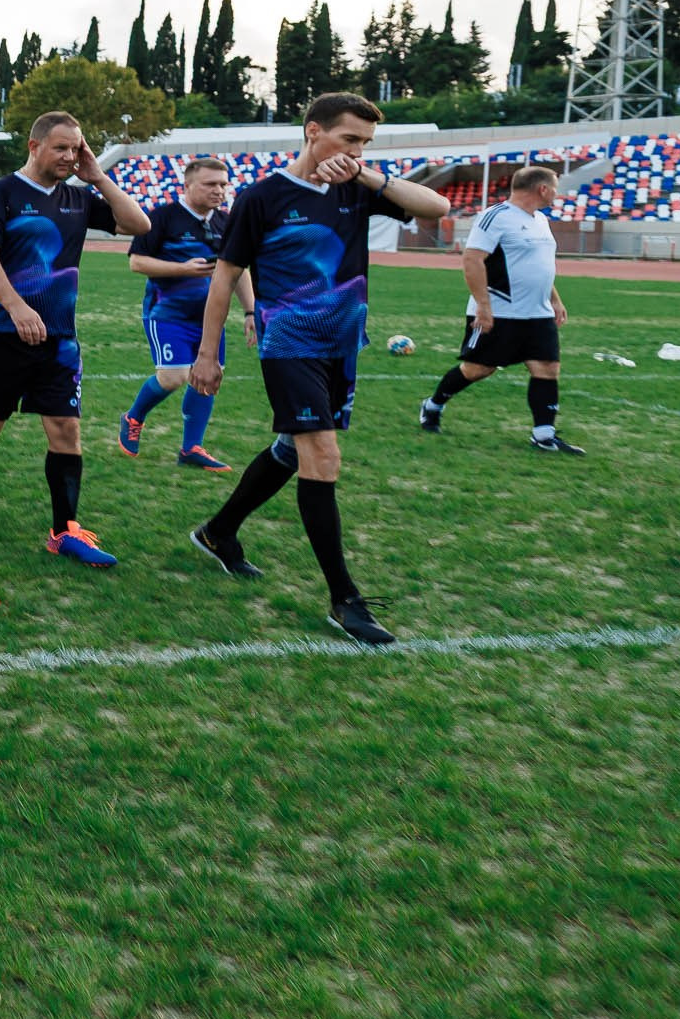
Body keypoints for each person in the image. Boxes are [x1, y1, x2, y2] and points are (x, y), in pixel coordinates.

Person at [189, 93, 451, 644]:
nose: (356, 151)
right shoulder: (264, 197)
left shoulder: (360, 188)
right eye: (348, 139)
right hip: (287, 342)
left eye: (365, 143)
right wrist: (208, 353)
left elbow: (437, 208)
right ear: (314, 132)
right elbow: (224, 275)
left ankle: (218, 532)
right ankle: (345, 600)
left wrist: (371, 177)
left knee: (291, 448)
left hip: (343, 344)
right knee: (321, 453)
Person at [0, 109, 149, 567]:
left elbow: (140, 226)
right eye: (61, 147)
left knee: (66, 430)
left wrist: (97, 175)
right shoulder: (1, 193)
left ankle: (64, 531)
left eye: (76, 148)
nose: (69, 156)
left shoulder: (78, 198)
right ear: (34, 145)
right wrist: (17, 308)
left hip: (60, 338)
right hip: (2, 330)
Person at [420, 165, 580, 453]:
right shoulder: (496, 217)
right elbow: (472, 261)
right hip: (500, 312)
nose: (557, 193)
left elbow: (537, 266)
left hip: (538, 313)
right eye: (554, 187)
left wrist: (555, 299)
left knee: (547, 368)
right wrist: (483, 306)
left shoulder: (541, 220)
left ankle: (544, 435)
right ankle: (433, 404)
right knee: (478, 369)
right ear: (542, 189)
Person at [118, 157, 255, 469]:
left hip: (211, 319)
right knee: (174, 377)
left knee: (207, 378)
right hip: (167, 314)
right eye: (210, 184)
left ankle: (191, 449)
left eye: (223, 184)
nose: (219, 190)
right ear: (188, 185)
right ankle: (133, 416)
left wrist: (250, 310)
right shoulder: (162, 217)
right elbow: (137, 262)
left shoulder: (226, 221)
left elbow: (239, 269)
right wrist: (183, 269)